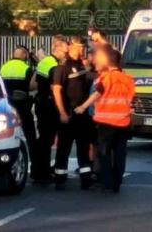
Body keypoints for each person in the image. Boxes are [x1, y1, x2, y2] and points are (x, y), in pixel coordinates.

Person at [75, 46, 134, 193]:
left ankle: (107, 182)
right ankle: (117, 182)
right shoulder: (128, 79)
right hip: (123, 121)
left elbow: (97, 94)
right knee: (120, 153)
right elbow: (131, 100)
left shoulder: (106, 78)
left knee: (104, 153)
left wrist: (83, 107)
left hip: (106, 122)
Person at [53, 36, 93, 190]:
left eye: (83, 47)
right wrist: (62, 112)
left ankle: (85, 179)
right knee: (64, 148)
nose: (82, 49)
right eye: (79, 47)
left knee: (83, 148)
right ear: (70, 47)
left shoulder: (82, 65)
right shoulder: (63, 67)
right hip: (68, 113)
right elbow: (56, 91)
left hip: (82, 114)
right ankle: (60, 178)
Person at [32, 35, 68, 183]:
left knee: (43, 140)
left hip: (41, 103)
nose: (66, 55)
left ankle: (38, 171)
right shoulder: (53, 65)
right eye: (65, 51)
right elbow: (55, 87)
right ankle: (44, 173)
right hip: (49, 105)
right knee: (47, 140)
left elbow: (34, 82)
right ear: (58, 49)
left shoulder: (44, 62)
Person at [0, 47, 36, 174]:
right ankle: (35, 167)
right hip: (23, 106)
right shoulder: (26, 69)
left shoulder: (3, 67)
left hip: (8, 106)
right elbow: (33, 86)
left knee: (8, 135)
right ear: (25, 55)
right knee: (30, 136)